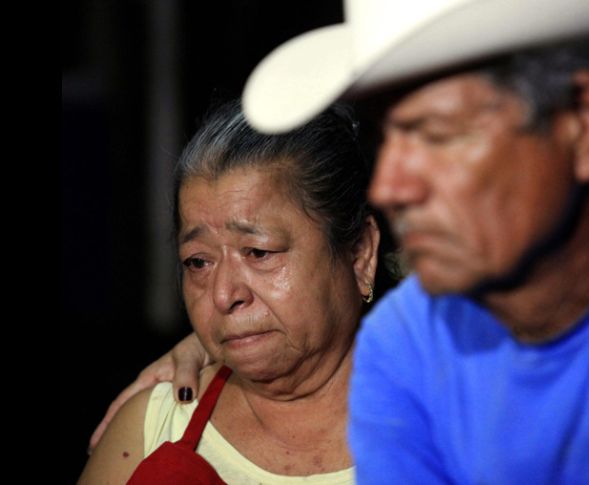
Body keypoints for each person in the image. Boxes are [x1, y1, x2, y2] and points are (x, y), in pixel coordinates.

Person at [90, 0, 589, 483]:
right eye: (388, 141)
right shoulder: (406, 347)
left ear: (584, 127)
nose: (391, 184)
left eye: (435, 134)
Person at [79, 100, 399, 484]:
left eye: (259, 252)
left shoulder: (459, 423)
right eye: (198, 262)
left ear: (360, 253)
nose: (223, 294)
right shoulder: (156, 426)